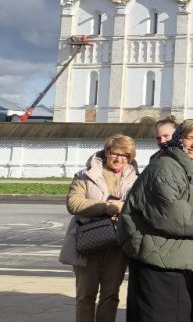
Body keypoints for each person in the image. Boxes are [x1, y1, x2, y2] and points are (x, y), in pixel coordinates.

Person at [119, 119, 193, 322]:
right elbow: (174, 217)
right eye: (189, 138)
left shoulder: (185, 167)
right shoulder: (166, 168)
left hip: (165, 255)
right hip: (158, 260)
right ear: (178, 139)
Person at [60, 134, 139, 322]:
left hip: (118, 244)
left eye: (125, 155)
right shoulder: (86, 175)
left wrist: (125, 207)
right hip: (90, 242)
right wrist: (105, 206)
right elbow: (73, 203)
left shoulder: (137, 179)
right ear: (106, 152)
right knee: (85, 296)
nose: (119, 158)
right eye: (115, 153)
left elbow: (141, 207)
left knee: (111, 296)